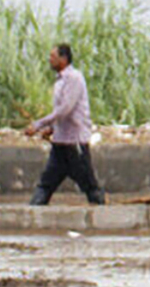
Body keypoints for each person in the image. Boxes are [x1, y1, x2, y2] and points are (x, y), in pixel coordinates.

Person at [25, 44, 106, 205]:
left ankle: (102, 213)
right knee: (46, 183)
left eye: (53, 57)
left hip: (75, 142)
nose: (50, 60)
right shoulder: (60, 81)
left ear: (64, 59)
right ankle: (34, 209)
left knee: (89, 185)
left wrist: (38, 124)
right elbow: (61, 113)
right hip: (60, 142)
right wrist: (51, 128)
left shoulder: (74, 78)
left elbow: (65, 109)